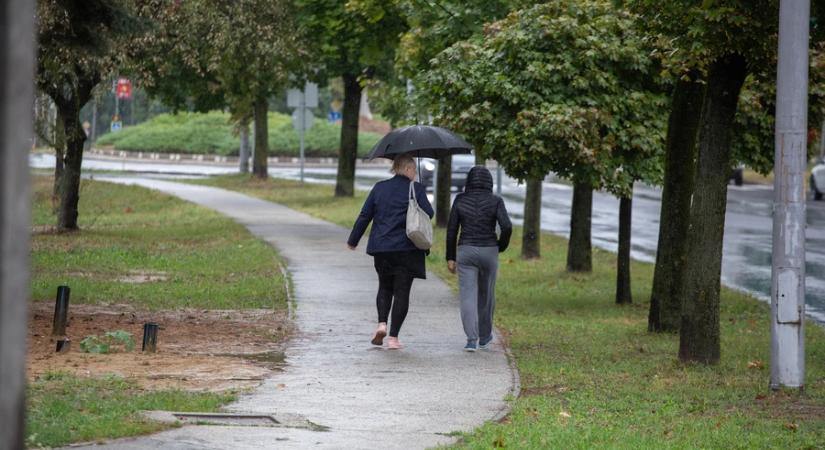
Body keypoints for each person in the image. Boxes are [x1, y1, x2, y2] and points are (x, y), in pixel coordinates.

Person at [348, 154, 434, 350]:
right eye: (413, 170)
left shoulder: (380, 187)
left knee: (384, 286)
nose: (414, 173)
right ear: (408, 169)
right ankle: (393, 338)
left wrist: (353, 240)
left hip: (382, 247)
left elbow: (365, 214)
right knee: (402, 292)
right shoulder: (416, 189)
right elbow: (429, 213)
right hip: (407, 248)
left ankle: (381, 324)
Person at [446, 166, 512, 352]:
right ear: (489, 182)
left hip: (466, 251)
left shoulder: (460, 199)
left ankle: (471, 339)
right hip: (489, 250)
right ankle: (485, 337)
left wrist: (450, 257)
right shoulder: (495, 201)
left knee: (467, 295)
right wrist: (501, 245)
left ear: (469, 181)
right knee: (487, 295)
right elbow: (506, 226)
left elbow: (452, 230)